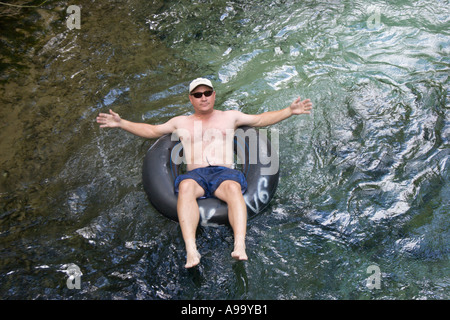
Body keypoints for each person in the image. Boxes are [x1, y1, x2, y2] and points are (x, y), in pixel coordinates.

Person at [96, 78, 312, 268]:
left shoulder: (231, 117)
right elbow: (152, 130)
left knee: (233, 187)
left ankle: (239, 245)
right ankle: (191, 249)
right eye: (198, 94)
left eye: (207, 93)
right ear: (191, 99)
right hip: (196, 175)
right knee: (185, 187)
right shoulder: (180, 122)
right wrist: (121, 123)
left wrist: (289, 111)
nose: (203, 97)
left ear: (214, 95)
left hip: (223, 172)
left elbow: (260, 120)